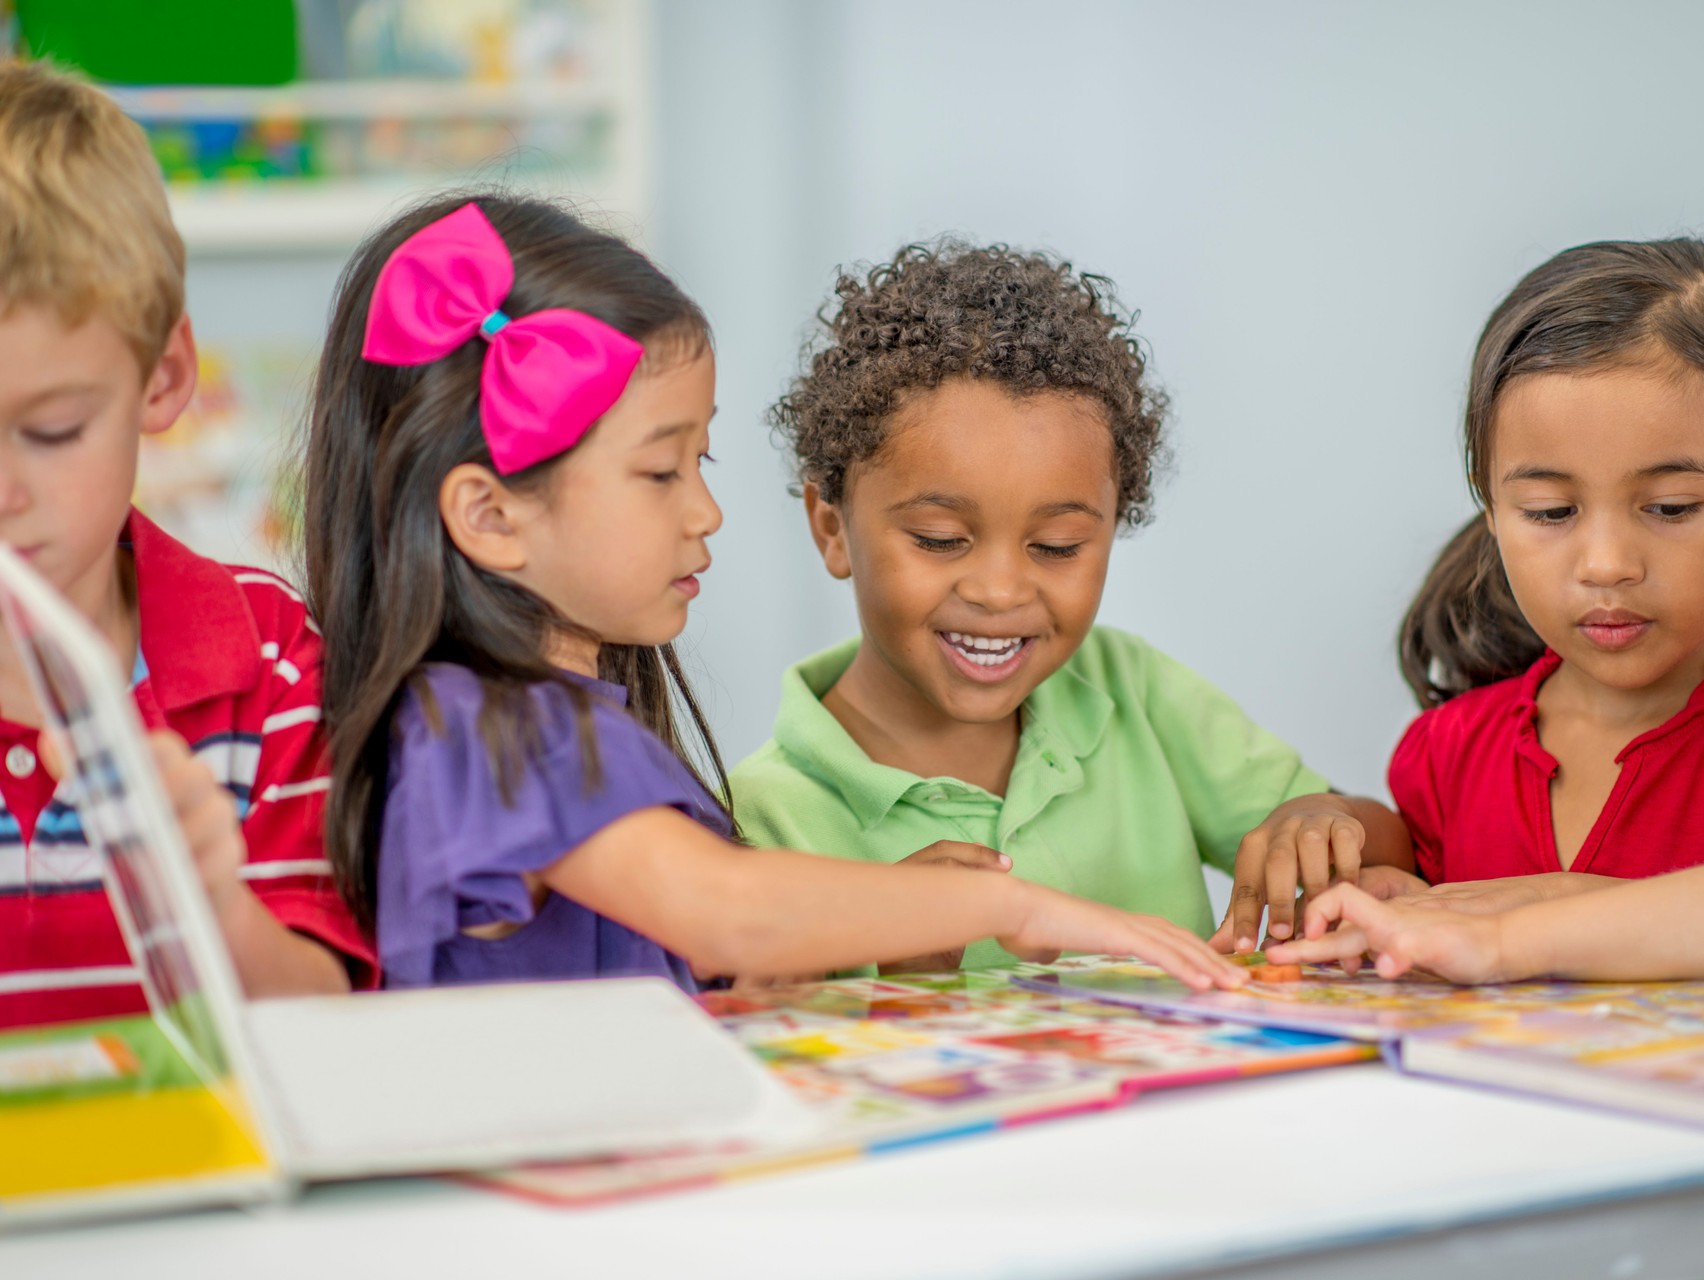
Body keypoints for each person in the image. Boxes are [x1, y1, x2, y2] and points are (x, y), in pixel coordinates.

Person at [301, 197, 1243, 993]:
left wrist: (877, 930)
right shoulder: (489, 728)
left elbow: (707, 985)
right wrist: (1010, 902)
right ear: (492, 516)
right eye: (662, 472)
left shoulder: (567, 728)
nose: (707, 512)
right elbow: (728, 920)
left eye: (699, 461)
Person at [730, 240, 1409, 973]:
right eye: (941, 539)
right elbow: (766, 1043)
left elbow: (1392, 842)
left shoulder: (1130, 690)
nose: (1000, 591)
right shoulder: (763, 816)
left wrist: (1317, 823)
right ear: (831, 527)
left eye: (1056, 546)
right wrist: (897, 951)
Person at [1368, 238, 1704, 1006]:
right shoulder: (1446, 752)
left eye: (1670, 508)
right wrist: (1336, 827)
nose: (1608, 563)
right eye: (1551, 512)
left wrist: (1565, 907)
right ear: (1494, 517)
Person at [0, 60, 371, 1028]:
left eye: (51, 430)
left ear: (164, 378)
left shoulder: (271, 658)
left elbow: (327, 1024)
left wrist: (211, 901)